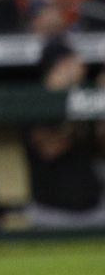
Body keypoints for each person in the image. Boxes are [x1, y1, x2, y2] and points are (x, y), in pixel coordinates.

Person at [21, 37, 105, 230]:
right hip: (51, 215)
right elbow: (50, 148)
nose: (81, 67)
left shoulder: (86, 96)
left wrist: (101, 102)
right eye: (74, 61)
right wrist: (79, 115)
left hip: (94, 210)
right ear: (60, 65)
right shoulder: (33, 101)